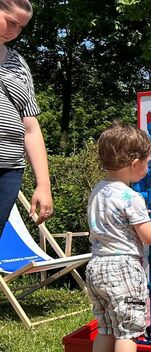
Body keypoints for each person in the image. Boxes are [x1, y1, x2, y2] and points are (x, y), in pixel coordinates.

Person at [77, 123, 151, 352]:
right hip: (123, 268)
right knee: (127, 331)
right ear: (135, 164)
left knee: (106, 327)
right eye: (147, 162)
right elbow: (150, 236)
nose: (148, 167)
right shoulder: (130, 197)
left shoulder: (98, 191)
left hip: (97, 266)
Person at [0, 0, 53, 228]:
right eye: (11, 22)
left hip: (10, 169)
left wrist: (44, 185)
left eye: (21, 27)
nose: (14, 32)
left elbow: (31, 128)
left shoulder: (18, 63)